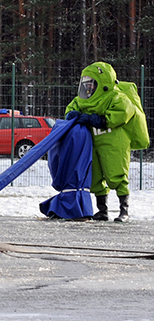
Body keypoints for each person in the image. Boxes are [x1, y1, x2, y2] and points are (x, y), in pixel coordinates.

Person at [64, 62, 149, 223]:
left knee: (116, 174)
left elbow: (119, 116)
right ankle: (102, 210)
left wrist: (92, 119)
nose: (88, 88)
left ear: (102, 84)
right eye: (86, 84)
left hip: (114, 141)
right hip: (93, 141)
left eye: (92, 84)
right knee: (95, 175)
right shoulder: (81, 101)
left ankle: (124, 210)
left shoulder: (118, 98)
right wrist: (71, 115)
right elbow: (70, 110)